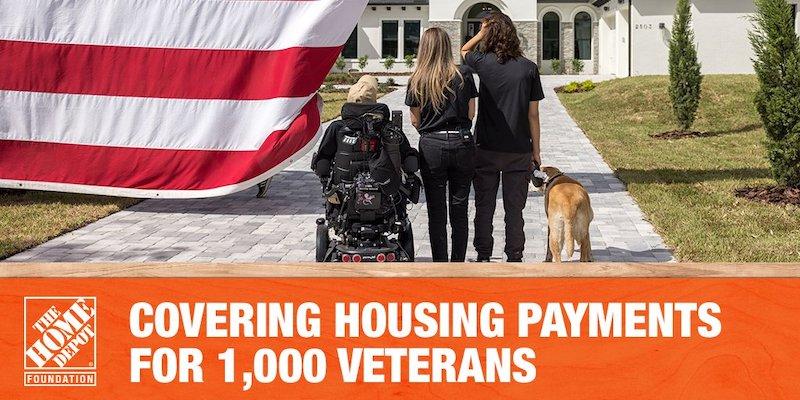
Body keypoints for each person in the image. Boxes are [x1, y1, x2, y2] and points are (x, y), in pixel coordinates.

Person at [461, 11, 544, 262]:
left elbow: (464, 51)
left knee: (484, 206)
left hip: (485, 147)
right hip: (518, 150)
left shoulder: (483, 63)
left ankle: (484, 255)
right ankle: (515, 256)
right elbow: (533, 116)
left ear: (491, 35)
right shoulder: (529, 69)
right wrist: (536, 152)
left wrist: (481, 32)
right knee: (514, 209)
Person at [406, 27, 478, 262]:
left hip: (432, 145)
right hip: (462, 142)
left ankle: (440, 264)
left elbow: (415, 119)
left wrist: (430, 131)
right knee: (459, 209)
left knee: (436, 211)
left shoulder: (417, 78)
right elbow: (471, 113)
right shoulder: (464, 74)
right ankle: (458, 264)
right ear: (448, 46)